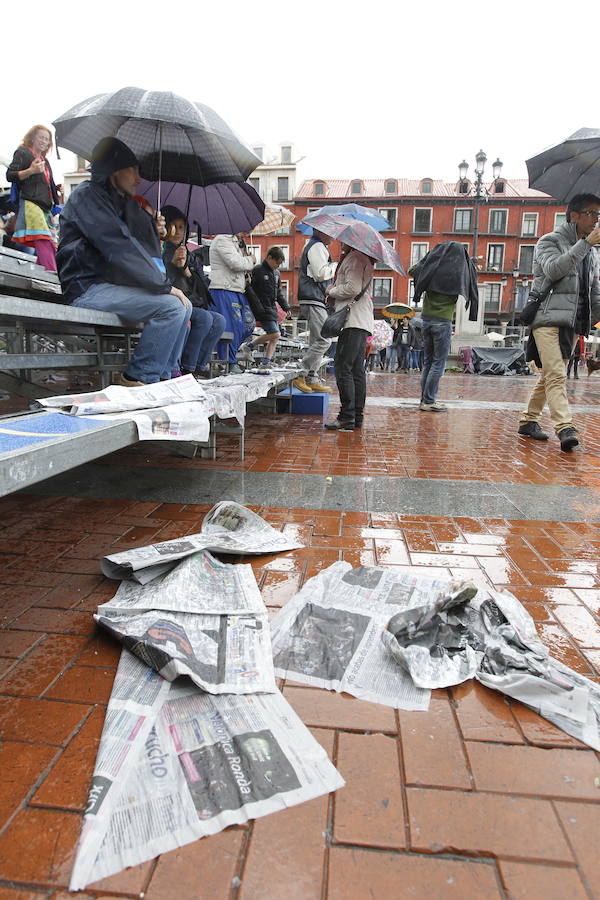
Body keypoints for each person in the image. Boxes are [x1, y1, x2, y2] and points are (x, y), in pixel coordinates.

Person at [56, 137, 191, 387]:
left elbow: (139, 244)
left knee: (185, 305)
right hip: (87, 288)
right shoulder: (87, 196)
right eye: (134, 171)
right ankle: (138, 378)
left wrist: (155, 229)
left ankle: (165, 376)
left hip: (108, 288)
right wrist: (162, 286)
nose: (139, 179)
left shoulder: (118, 202)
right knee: (172, 306)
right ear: (115, 170)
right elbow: (119, 246)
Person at [518, 193, 600, 451]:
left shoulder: (592, 253)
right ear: (574, 215)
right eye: (592, 213)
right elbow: (554, 269)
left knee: (550, 375)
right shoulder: (549, 241)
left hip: (573, 323)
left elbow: (594, 289)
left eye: (599, 215)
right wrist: (586, 244)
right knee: (556, 373)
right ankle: (565, 427)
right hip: (546, 318)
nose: (596, 220)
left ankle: (528, 420)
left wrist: (594, 318)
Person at [410, 241, 478, 411]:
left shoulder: (432, 269)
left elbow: (413, 270)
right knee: (438, 363)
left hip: (426, 320)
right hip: (443, 322)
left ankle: (424, 399)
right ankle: (429, 401)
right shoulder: (457, 273)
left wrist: (429, 257)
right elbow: (471, 280)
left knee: (428, 362)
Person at [161, 206, 226, 379]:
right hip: (173, 301)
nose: (177, 232)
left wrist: (188, 272)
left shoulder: (189, 254)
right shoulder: (162, 249)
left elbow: (203, 283)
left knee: (219, 321)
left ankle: (199, 364)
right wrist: (173, 266)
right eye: (173, 226)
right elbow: (159, 279)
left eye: (181, 227)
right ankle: (187, 366)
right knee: (204, 319)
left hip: (192, 301)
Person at [324, 244, 375, 431]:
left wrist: (332, 291)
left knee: (343, 368)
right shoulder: (365, 259)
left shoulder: (354, 258)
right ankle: (356, 416)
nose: (340, 243)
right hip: (361, 321)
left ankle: (346, 416)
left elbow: (353, 288)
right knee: (356, 370)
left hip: (352, 320)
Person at [6, 125, 61, 271]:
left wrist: (57, 204)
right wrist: (31, 170)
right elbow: (10, 175)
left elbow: (51, 183)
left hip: (46, 205)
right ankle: (52, 272)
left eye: (47, 139)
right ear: (32, 138)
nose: (44, 141)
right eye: (41, 137)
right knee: (43, 238)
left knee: (51, 240)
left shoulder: (45, 160)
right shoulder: (23, 152)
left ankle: (42, 272)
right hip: (31, 202)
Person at [294, 229, 336, 393]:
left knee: (316, 340)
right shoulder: (317, 246)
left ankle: (312, 377)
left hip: (314, 298)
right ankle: (301, 372)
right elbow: (320, 274)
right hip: (313, 298)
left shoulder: (316, 246)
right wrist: (334, 266)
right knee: (324, 340)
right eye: (330, 231)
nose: (333, 235)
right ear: (321, 230)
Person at [237, 246, 291, 372]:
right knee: (275, 333)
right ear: (269, 258)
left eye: (280, 263)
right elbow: (250, 289)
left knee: (275, 336)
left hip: (271, 308)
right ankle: (249, 346)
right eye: (277, 262)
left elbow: (278, 293)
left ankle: (265, 362)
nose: (278, 266)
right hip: (260, 308)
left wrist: (286, 307)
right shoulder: (258, 270)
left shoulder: (277, 274)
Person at [209, 233, 255, 373]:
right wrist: (250, 260)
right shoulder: (222, 239)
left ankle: (230, 359)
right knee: (230, 328)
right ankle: (227, 361)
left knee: (247, 325)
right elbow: (235, 263)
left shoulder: (237, 243)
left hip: (236, 289)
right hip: (223, 288)